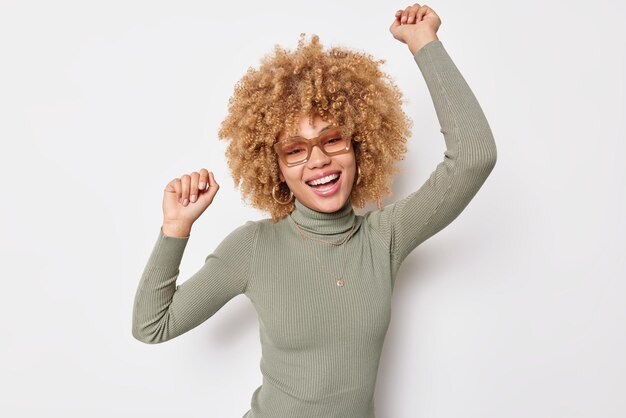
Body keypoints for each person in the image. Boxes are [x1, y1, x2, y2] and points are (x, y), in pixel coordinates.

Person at [132, 4, 497, 417]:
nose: (318, 160)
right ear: (276, 170)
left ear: (360, 147)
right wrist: (175, 228)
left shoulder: (384, 238)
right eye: (295, 150)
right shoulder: (254, 247)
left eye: (333, 140)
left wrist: (424, 44)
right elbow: (152, 325)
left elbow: (474, 157)